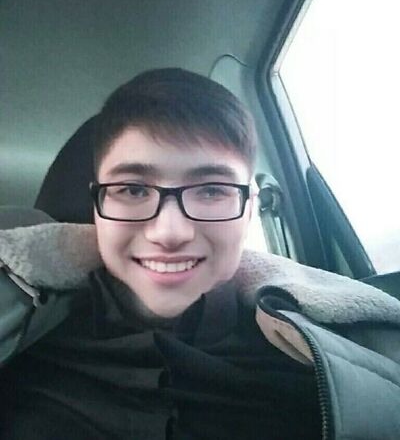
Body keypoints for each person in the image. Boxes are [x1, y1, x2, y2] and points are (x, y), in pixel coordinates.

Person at [0, 68, 399, 440]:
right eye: (134, 190)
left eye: (211, 191)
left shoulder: (328, 376)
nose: (169, 232)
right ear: (97, 207)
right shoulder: (18, 357)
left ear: (249, 209)